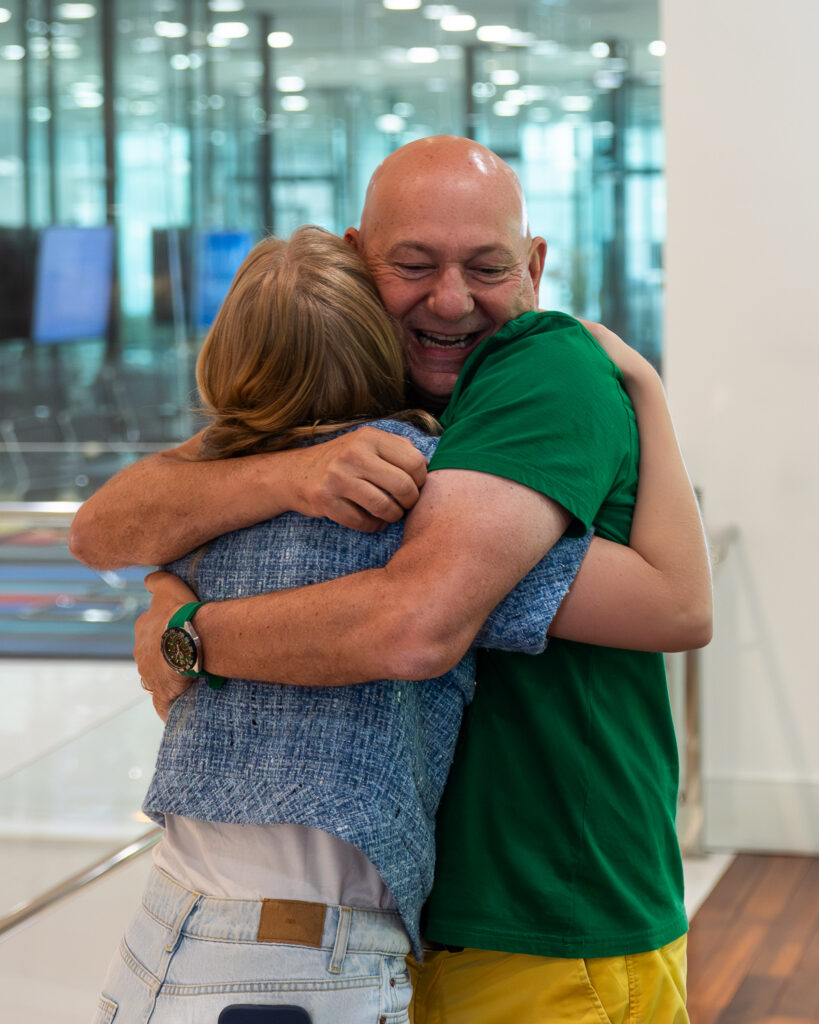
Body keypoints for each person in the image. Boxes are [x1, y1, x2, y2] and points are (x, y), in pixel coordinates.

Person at [72, 136, 712, 1023]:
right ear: (356, 262)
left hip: (542, 923)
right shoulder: (340, 437)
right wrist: (284, 480)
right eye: (412, 265)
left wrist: (192, 630)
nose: (450, 299)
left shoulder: (533, 371)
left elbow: (419, 621)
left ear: (534, 265)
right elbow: (103, 525)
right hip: (392, 929)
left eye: (486, 267)